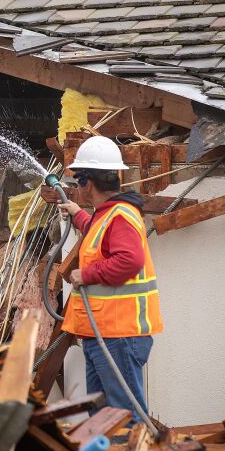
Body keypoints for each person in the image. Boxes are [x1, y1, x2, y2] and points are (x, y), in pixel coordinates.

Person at [54, 136, 162, 423]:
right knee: (103, 419)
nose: (77, 187)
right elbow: (99, 235)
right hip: (104, 334)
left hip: (118, 335)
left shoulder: (120, 215)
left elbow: (130, 260)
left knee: (125, 417)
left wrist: (85, 274)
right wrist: (78, 215)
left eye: (78, 180)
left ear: (87, 183)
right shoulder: (108, 216)